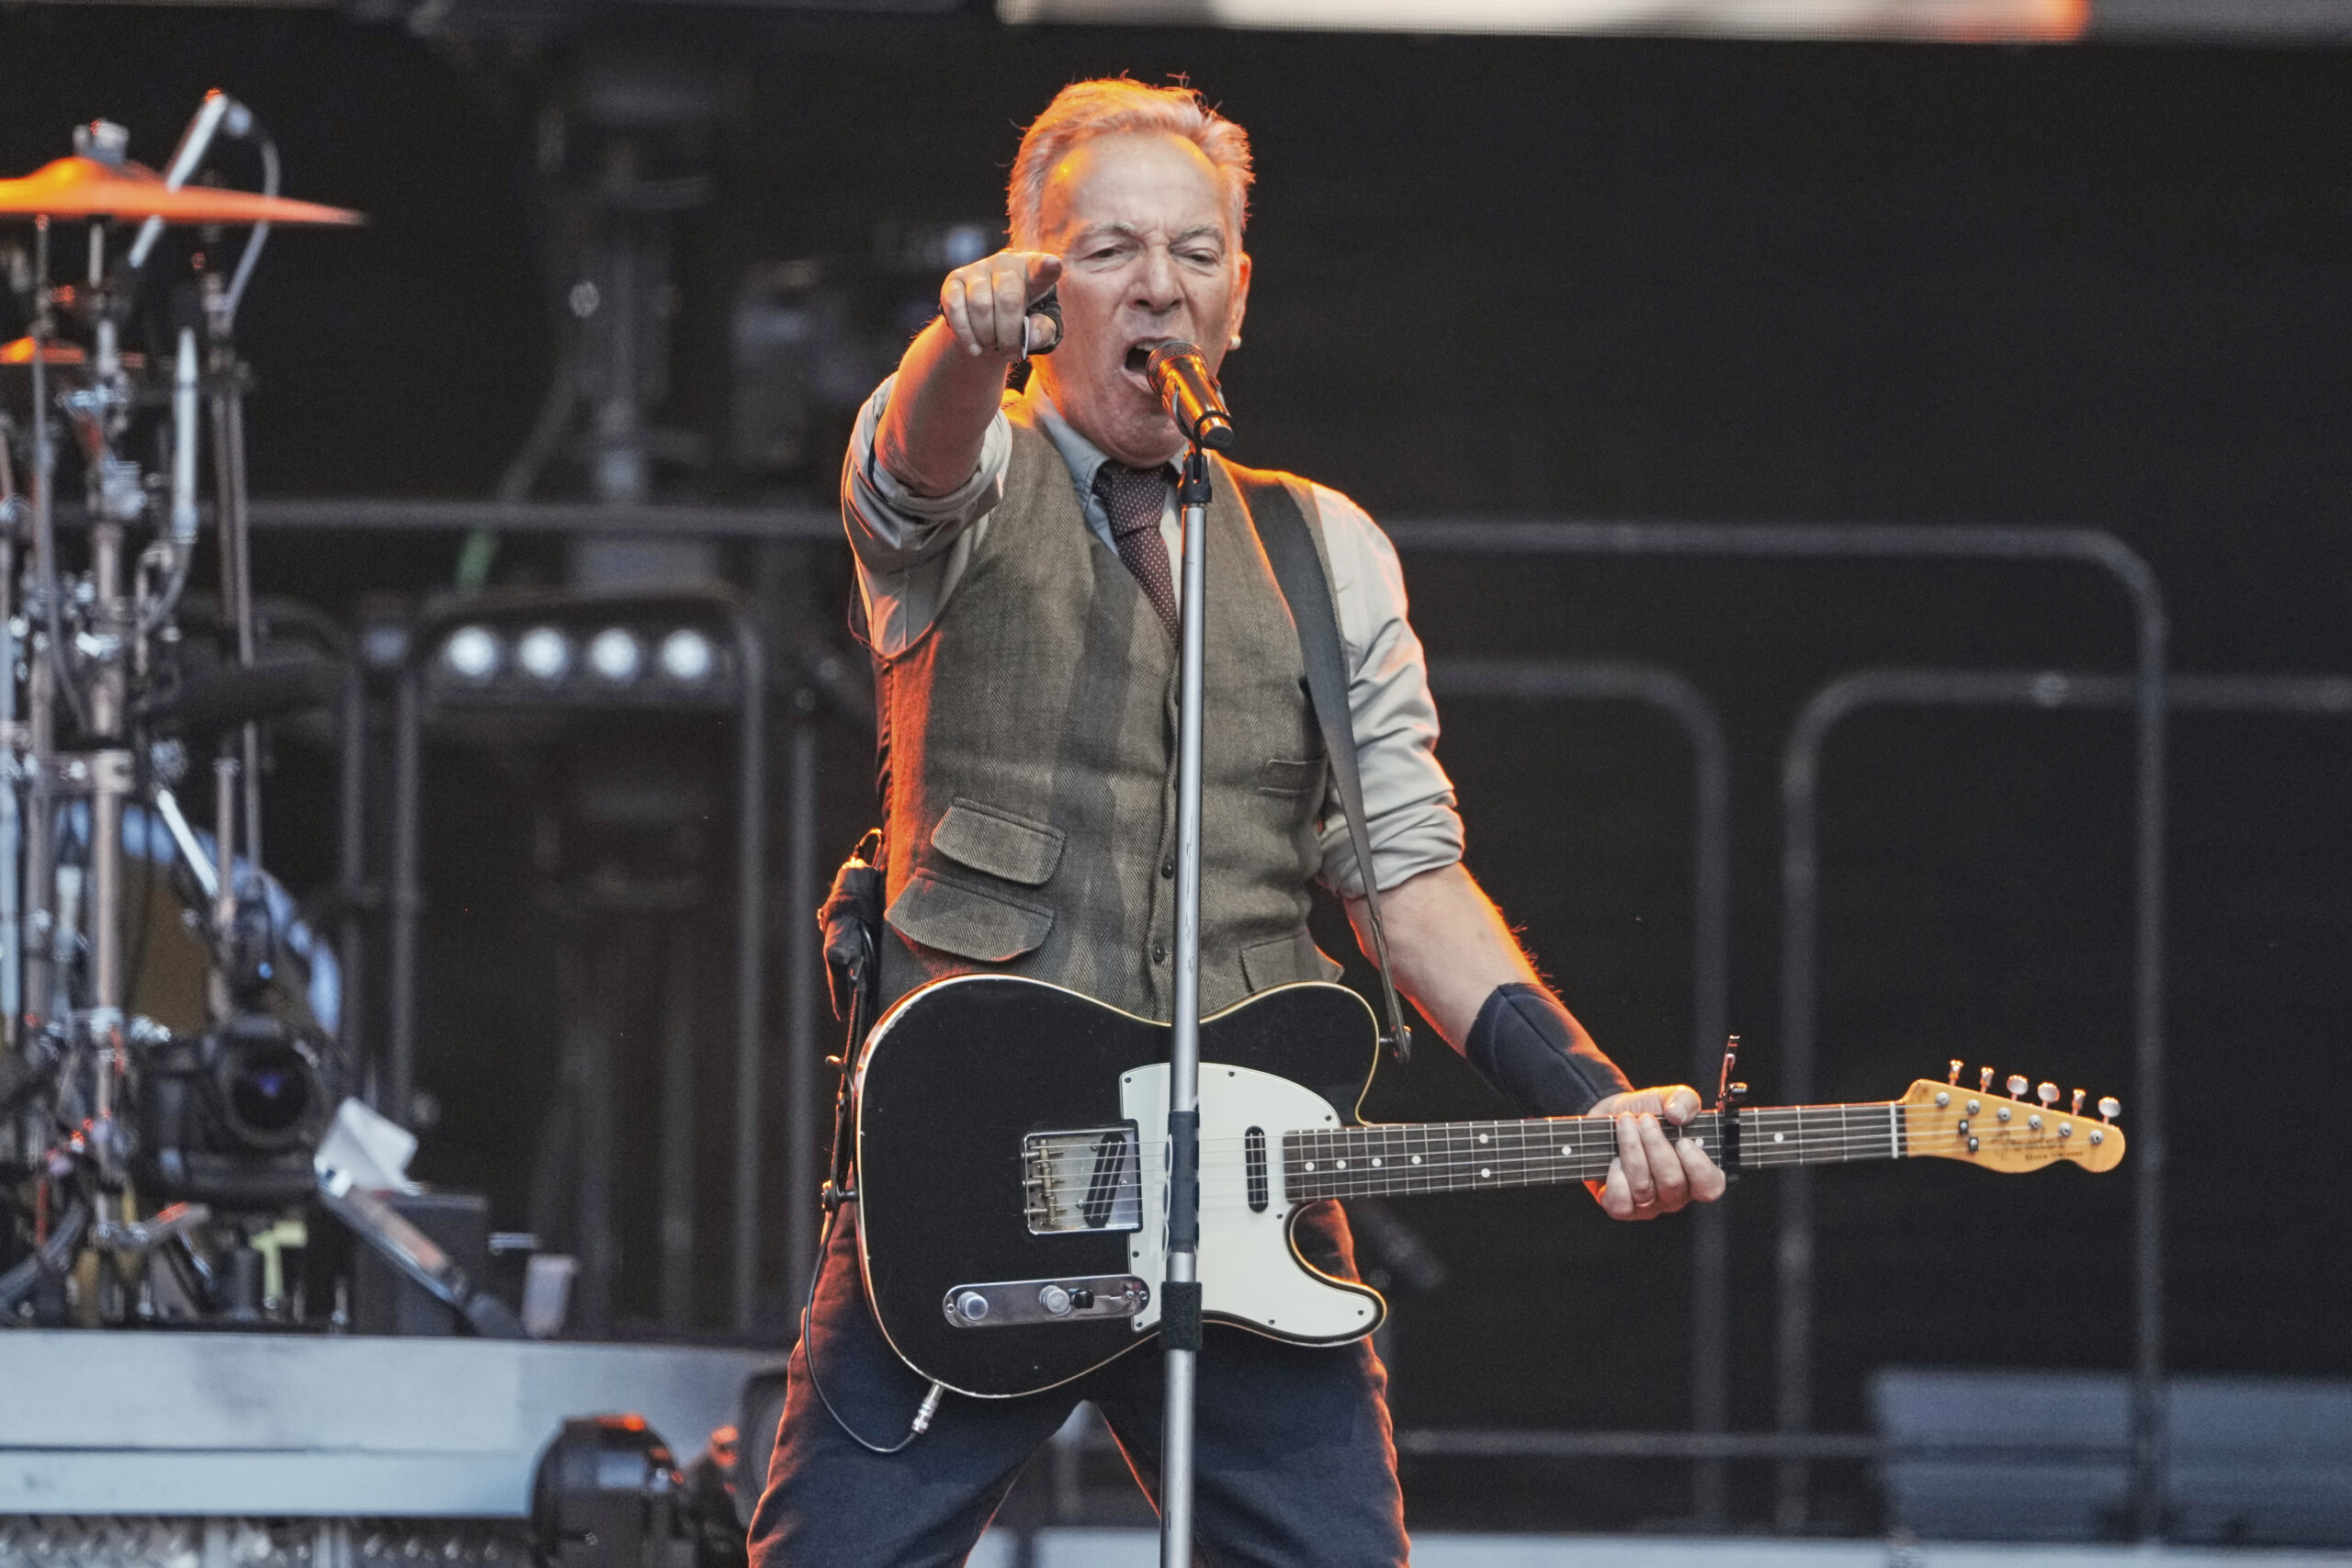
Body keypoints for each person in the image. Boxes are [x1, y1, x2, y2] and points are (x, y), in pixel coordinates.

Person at [750, 78, 1724, 1567]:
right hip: (975, 1172)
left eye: (1194, 252)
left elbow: (1406, 875)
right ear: (1039, 289)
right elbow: (909, 467)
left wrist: (1582, 1094)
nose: (1159, 285)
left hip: (1245, 1177)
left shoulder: (1325, 549)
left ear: (1241, 295)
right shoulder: (979, 473)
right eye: (1109, 251)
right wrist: (962, 341)